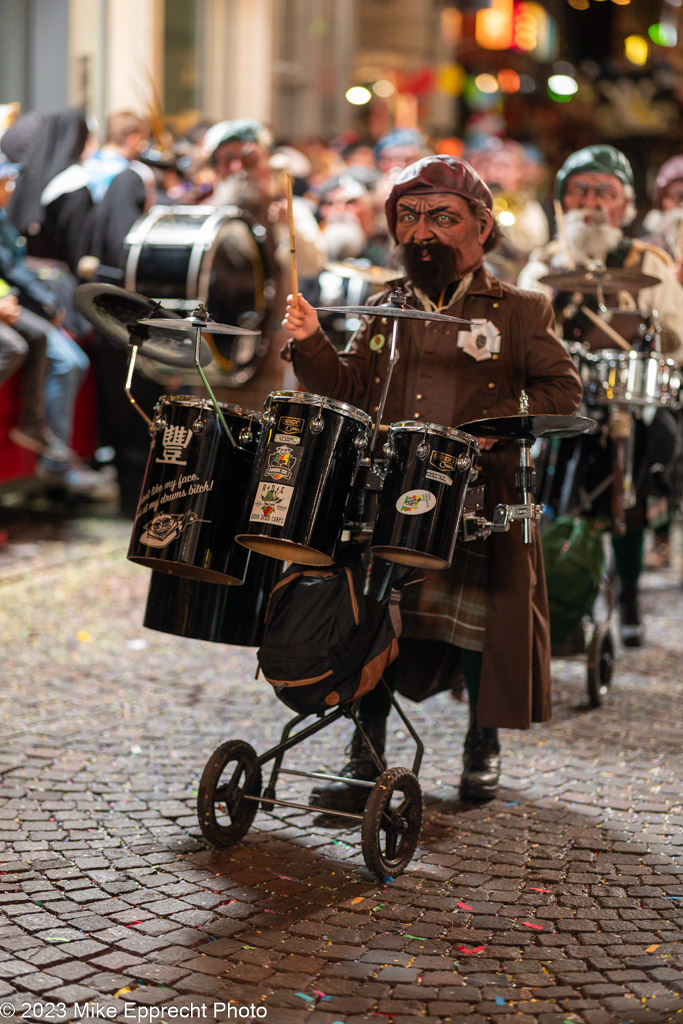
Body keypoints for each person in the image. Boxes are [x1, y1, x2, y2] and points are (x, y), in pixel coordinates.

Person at [282, 154, 583, 810]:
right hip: (391, 492)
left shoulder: (520, 309)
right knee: (374, 623)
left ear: (481, 227)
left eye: (441, 219)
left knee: (478, 628)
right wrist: (309, 343)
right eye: (409, 217)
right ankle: (365, 755)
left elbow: (562, 392)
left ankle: (482, 745)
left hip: (481, 496)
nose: (422, 233)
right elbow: (351, 387)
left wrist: (502, 426)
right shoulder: (387, 307)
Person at [518, 144, 683, 645]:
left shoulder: (647, 262)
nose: (591, 202)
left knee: (634, 484)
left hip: (626, 405)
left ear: (625, 205)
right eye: (580, 190)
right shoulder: (542, 264)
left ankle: (629, 593)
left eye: (604, 193)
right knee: (542, 491)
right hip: (558, 403)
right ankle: (560, 593)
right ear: (563, 201)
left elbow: (674, 335)